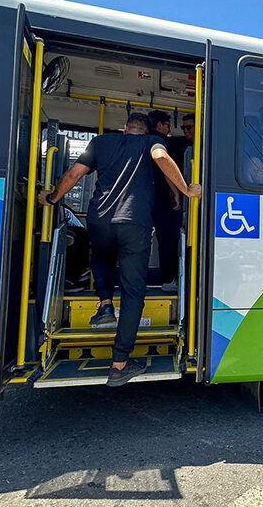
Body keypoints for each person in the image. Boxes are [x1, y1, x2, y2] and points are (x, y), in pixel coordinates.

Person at [38, 112, 201, 387]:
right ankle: (119, 363)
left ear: (124, 128)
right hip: (134, 225)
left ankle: (104, 305)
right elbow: (162, 158)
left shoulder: (101, 142)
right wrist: (186, 190)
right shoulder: (151, 143)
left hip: (99, 220)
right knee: (133, 293)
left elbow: (74, 174)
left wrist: (52, 198)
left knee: (99, 254)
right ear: (147, 130)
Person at [148, 110, 183, 292]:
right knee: (168, 239)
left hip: (143, 198)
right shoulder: (159, 142)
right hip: (160, 197)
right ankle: (169, 278)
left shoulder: (140, 142)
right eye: (168, 125)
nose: (169, 129)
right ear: (160, 125)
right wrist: (177, 191)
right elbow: (165, 168)